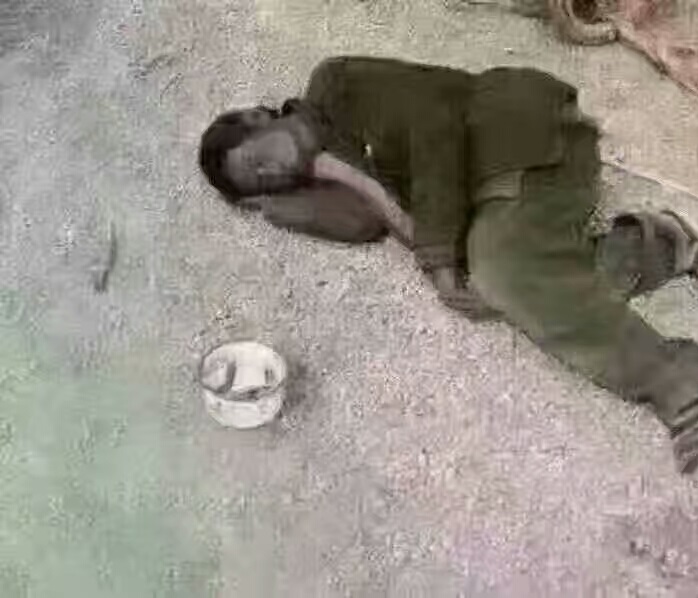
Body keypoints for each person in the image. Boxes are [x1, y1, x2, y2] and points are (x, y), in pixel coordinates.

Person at [199, 55, 698, 473]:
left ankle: (677, 379)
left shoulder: (336, 83)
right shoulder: (327, 173)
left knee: (500, 269)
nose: (273, 171)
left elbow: (434, 126)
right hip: (491, 192)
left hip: (525, 135)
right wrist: (292, 196)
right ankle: (657, 245)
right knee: (500, 286)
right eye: (265, 180)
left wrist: (439, 262)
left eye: (257, 160)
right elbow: (367, 224)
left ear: (258, 117)